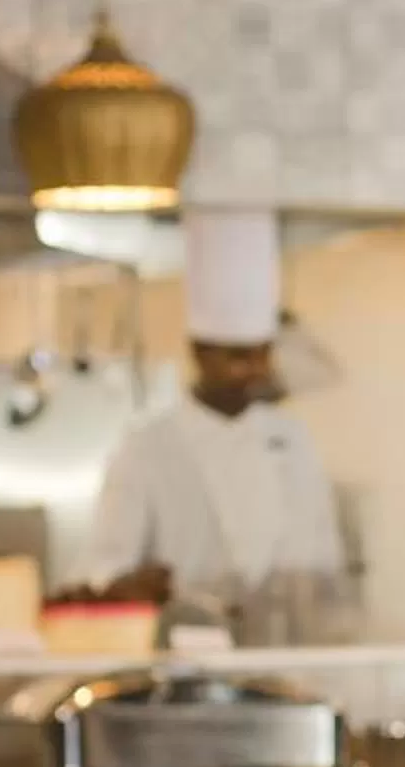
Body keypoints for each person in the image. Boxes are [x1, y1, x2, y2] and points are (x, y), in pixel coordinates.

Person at [71, 209, 347, 640]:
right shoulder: (147, 448)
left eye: (262, 353)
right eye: (238, 356)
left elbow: (327, 572)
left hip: (288, 660)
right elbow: (103, 572)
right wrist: (130, 585)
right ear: (200, 352)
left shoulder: (293, 442)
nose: (255, 369)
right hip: (182, 668)